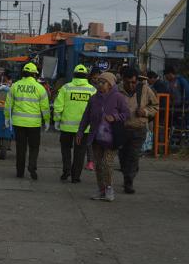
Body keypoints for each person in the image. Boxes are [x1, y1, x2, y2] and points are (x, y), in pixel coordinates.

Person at [77, 72, 129, 201]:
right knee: (98, 165)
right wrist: (80, 132)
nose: (99, 84)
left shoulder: (118, 97)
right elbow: (86, 117)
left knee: (107, 163)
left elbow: (127, 113)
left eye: (102, 82)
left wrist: (115, 117)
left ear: (110, 84)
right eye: (98, 82)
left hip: (112, 138)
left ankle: (109, 189)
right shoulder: (94, 98)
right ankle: (101, 190)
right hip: (96, 138)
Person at [4, 63, 50, 180]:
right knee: (34, 147)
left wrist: (7, 118)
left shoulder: (15, 86)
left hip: (18, 123)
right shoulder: (40, 88)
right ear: (34, 74)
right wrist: (47, 121)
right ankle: (32, 166)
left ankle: (20, 172)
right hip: (34, 124)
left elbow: (8, 104)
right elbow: (45, 107)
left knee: (21, 148)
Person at [53, 64, 97, 183]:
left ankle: (66, 170)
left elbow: (58, 106)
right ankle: (75, 176)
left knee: (66, 150)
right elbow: (96, 109)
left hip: (66, 127)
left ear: (74, 75)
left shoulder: (66, 88)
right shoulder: (92, 90)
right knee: (80, 152)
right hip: (84, 129)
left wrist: (57, 120)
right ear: (86, 76)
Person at [118, 68, 158, 194]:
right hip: (122, 129)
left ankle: (128, 182)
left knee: (133, 156)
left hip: (138, 129)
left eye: (133, 82)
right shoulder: (117, 90)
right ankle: (128, 172)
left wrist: (145, 112)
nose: (131, 85)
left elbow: (155, 106)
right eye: (128, 82)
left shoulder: (145, 89)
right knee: (123, 157)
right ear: (123, 80)